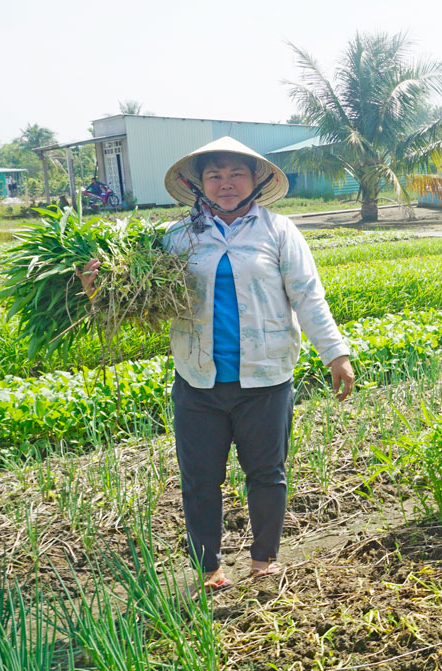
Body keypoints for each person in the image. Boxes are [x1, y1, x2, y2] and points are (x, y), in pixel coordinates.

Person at [79, 136, 355, 591]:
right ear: (199, 184)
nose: (225, 183)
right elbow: (138, 299)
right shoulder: (176, 237)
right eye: (215, 175)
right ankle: (209, 569)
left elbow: (308, 295)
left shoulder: (279, 231)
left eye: (236, 173)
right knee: (200, 479)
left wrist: (335, 353)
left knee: (267, 474)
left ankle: (265, 559)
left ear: (256, 180)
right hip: (198, 379)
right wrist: (98, 286)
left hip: (266, 378)